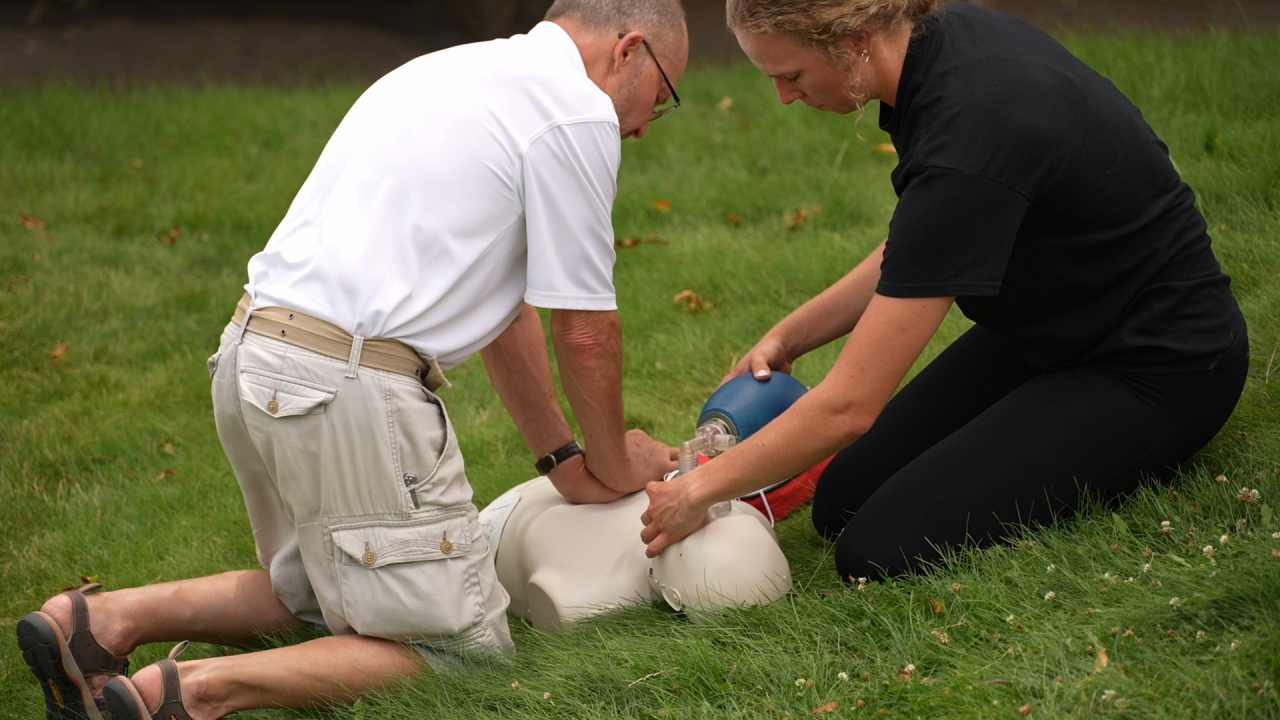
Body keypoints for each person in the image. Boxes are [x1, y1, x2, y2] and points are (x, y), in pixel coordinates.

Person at [17, 1, 687, 718]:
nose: (644, 126)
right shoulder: (575, 111)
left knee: (314, 593)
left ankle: (96, 623)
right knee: (461, 653)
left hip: (252, 353)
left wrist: (563, 458)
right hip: (342, 385)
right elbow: (584, 330)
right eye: (662, 98)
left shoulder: (452, 71)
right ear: (629, 50)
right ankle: (183, 695)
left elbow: (508, 313)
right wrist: (615, 464)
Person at [641, 0, 1248, 583]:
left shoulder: (973, 128)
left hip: (1160, 361)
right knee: (840, 501)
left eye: (792, 73)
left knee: (876, 549)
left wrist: (695, 491)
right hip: (1047, 323)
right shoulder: (930, 39)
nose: (784, 95)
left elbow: (849, 407)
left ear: (856, 41)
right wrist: (790, 335)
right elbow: (924, 243)